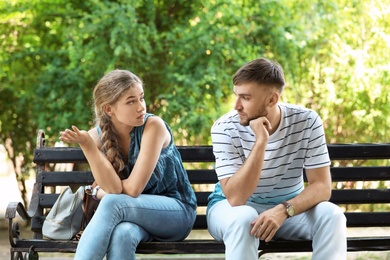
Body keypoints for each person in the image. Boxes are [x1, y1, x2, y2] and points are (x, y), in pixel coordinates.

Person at [206, 58, 347, 259]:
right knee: (244, 218)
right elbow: (236, 198)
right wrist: (261, 141)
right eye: (236, 96)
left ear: (272, 100)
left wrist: (283, 210)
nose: (236, 105)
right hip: (231, 209)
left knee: (332, 216)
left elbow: (322, 186)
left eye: (245, 98)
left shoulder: (307, 121)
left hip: (289, 211)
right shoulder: (224, 127)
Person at [59, 69, 197, 260]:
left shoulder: (154, 126)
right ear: (109, 109)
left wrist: (100, 192)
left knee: (112, 201)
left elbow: (130, 190)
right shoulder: (95, 137)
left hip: (176, 213)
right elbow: (114, 187)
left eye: (141, 98)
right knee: (122, 235)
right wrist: (88, 146)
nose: (141, 107)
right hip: (132, 216)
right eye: (131, 101)